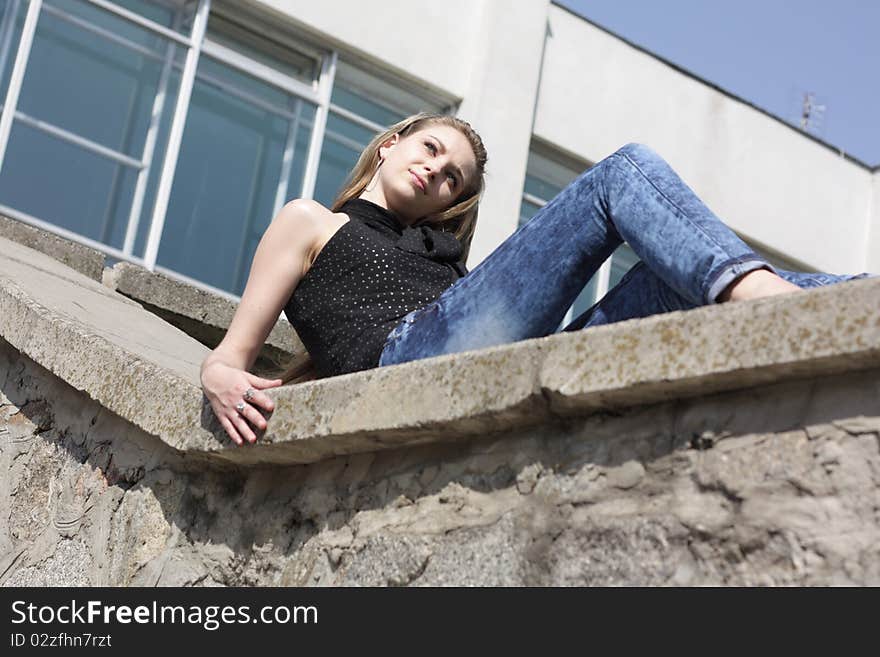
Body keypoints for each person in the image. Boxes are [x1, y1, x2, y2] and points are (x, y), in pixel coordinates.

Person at [200, 112, 872, 446]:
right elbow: (230, 357)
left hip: (489, 360)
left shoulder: (441, 263)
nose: (436, 171)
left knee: (665, 286)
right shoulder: (310, 221)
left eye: (451, 178)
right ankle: (766, 299)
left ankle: (852, 297)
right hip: (409, 361)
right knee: (623, 172)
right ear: (391, 145)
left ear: (446, 203)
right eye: (432, 151)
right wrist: (222, 373)